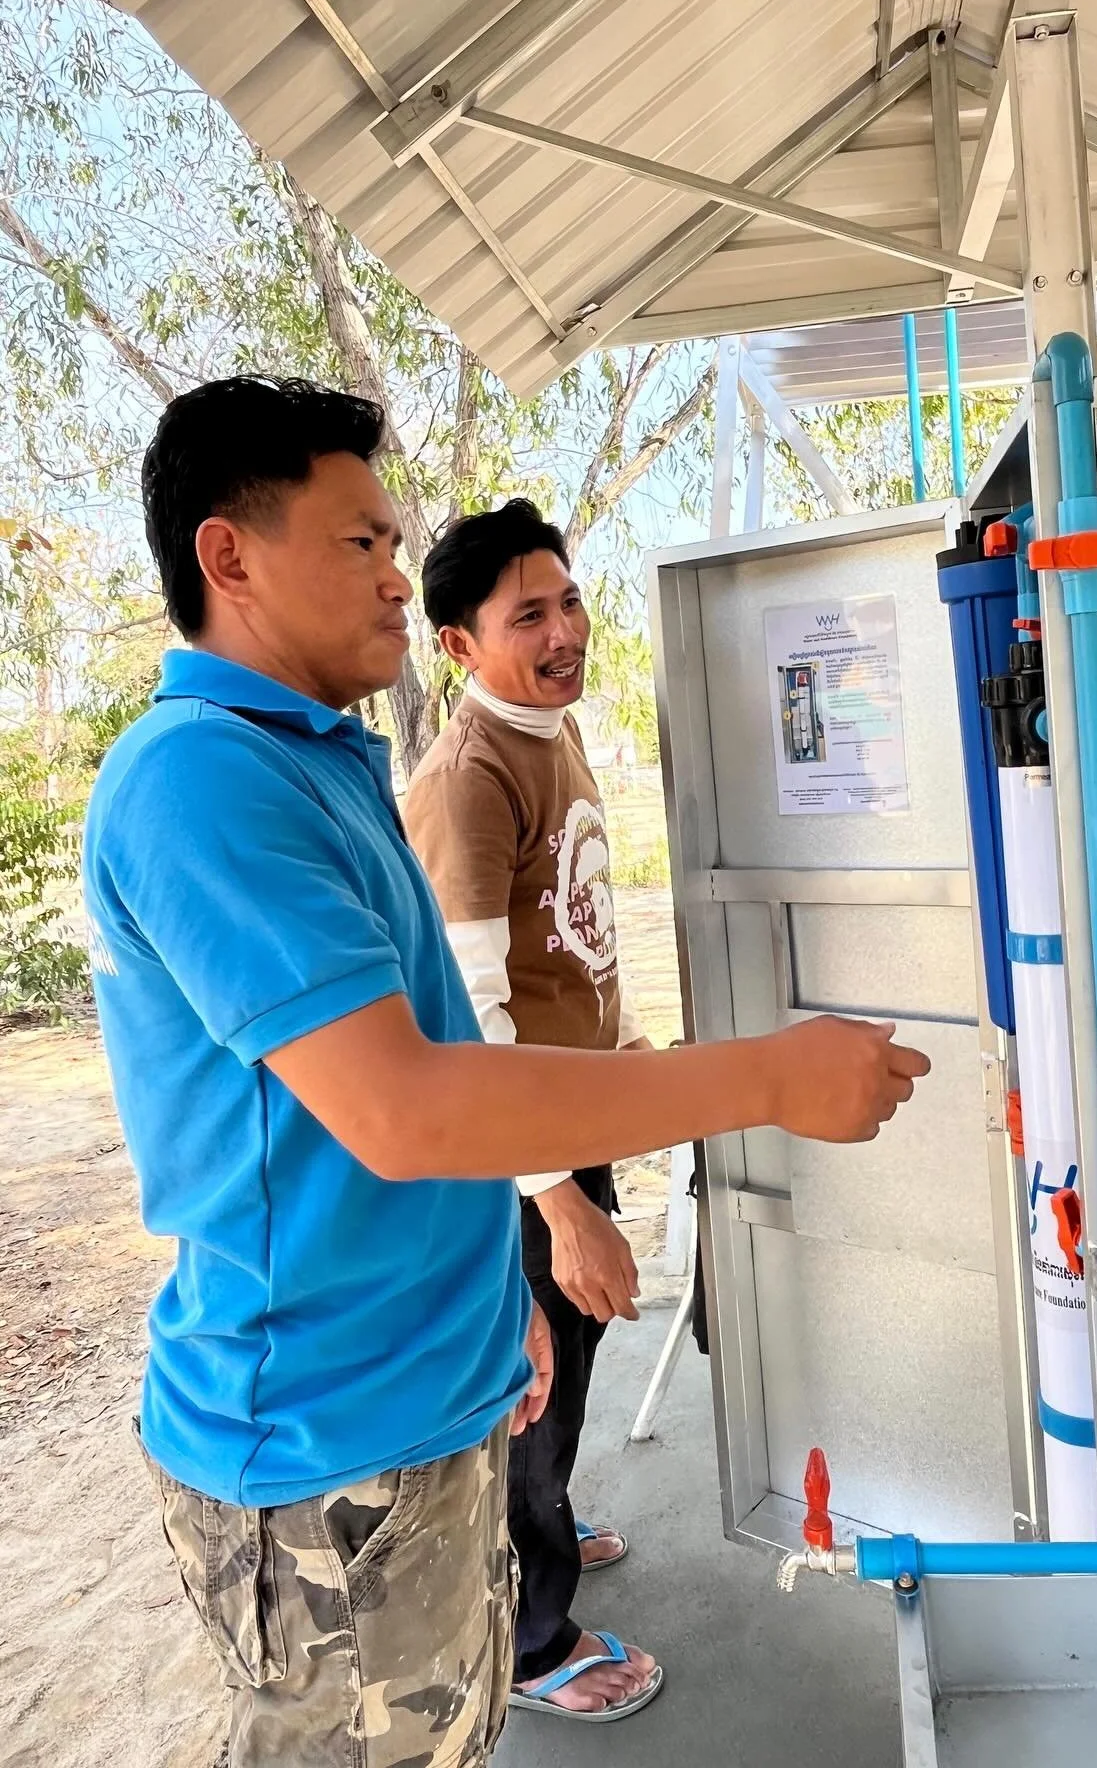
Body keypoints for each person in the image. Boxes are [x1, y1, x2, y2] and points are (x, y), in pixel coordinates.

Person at [81, 375, 930, 1768]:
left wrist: (494, 1295)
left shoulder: (323, 761)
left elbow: (428, 1055)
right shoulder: (201, 779)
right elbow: (410, 1107)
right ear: (227, 556)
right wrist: (762, 1080)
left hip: (420, 1383)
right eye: (362, 542)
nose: (395, 575)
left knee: (452, 1734)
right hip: (322, 1437)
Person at [404, 502, 657, 1722]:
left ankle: (540, 1528)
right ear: (459, 645)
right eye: (528, 617)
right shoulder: (471, 780)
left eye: (568, 601)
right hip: (516, 1159)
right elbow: (471, 1014)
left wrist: (623, 1060)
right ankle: (532, 1640)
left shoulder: (550, 730)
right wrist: (558, 1201)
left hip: (565, 1126)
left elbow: (567, 948)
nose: (565, 632)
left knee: (569, 1361)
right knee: (530, 1382)